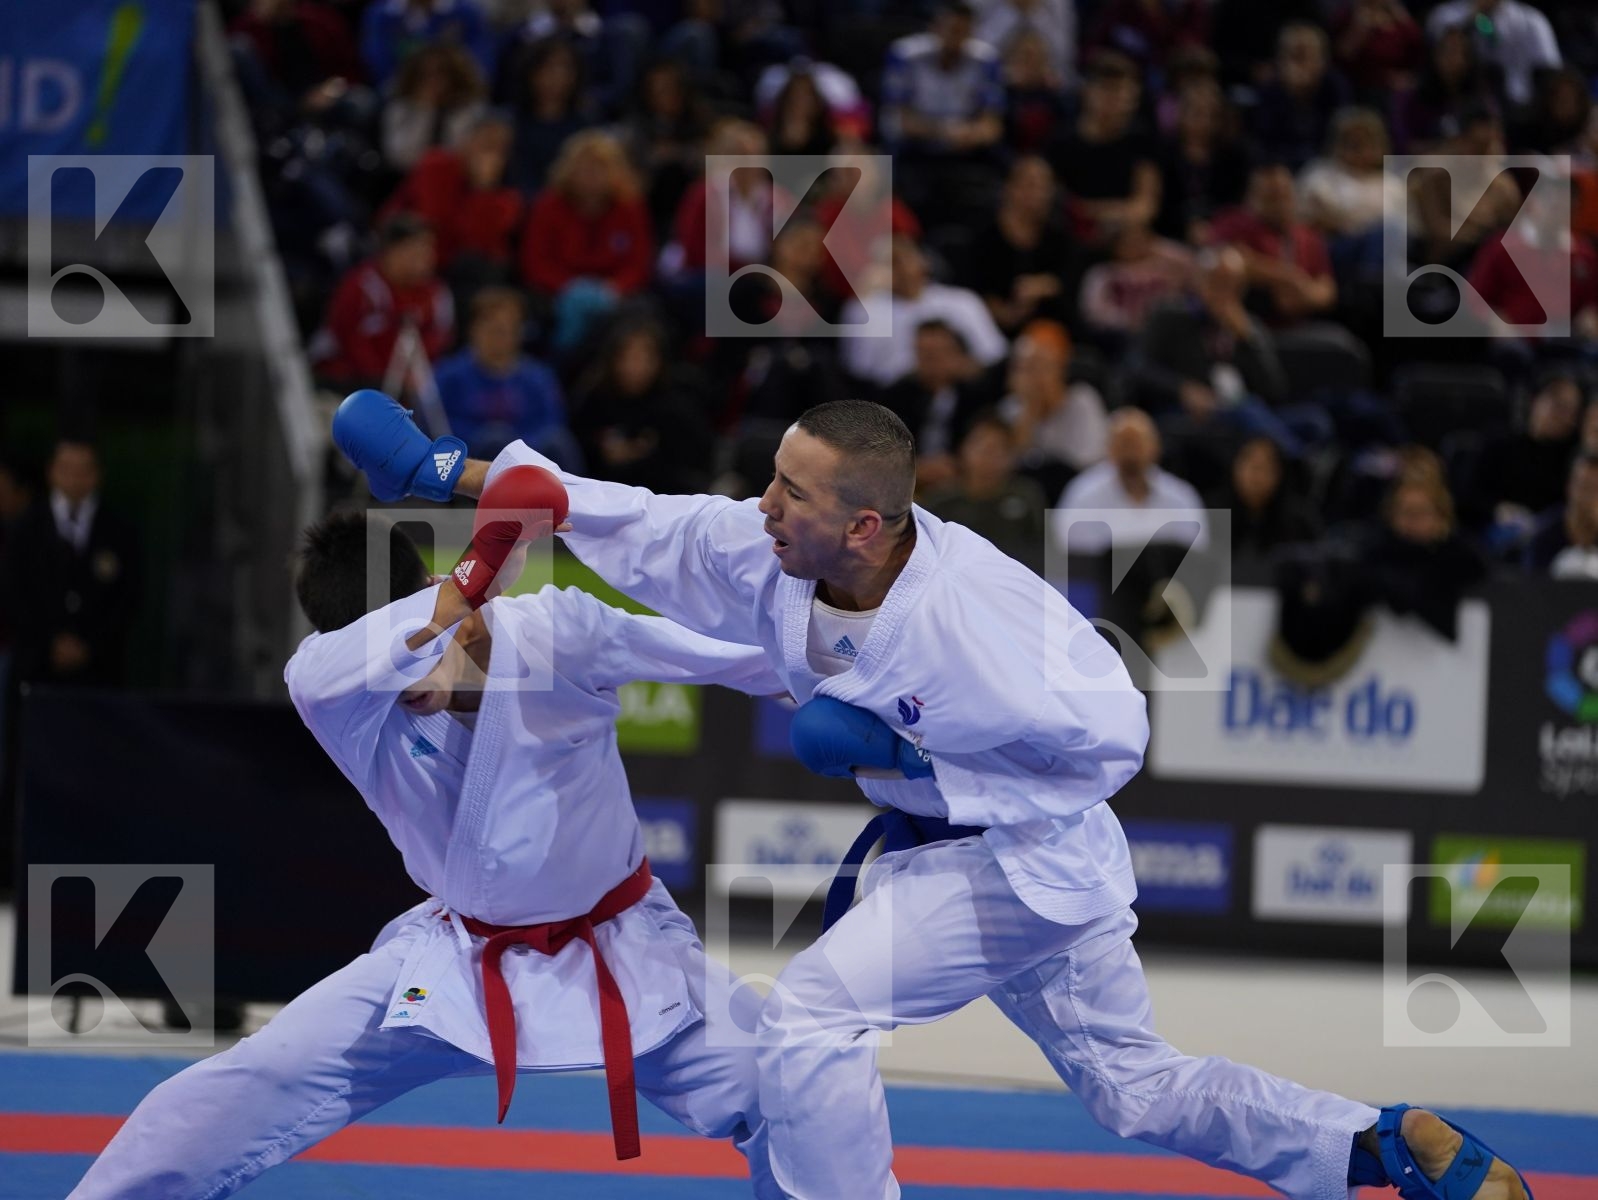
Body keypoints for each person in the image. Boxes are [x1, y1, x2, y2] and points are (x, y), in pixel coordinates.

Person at [338, 391, 1535, 1200]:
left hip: (1018, 855)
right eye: (770, 479)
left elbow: (1116, 735)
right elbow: (630, 518)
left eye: (791, 494)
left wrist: (918, 761)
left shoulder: (980, 626)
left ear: (864, 524)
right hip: (942, 851)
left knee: (810, 1018)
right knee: (1131, 1089)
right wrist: (459, 470)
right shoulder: (771, 543)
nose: (763, 504)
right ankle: (1377, 1148)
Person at [67, 459, 784, 1198]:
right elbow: (337, 667)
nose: (405, 685)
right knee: (236, 1087)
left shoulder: (559, 632)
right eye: (389, 659)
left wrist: (850, 688)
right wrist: (463, 590)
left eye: (424, 645)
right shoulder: (334, 691)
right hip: (455, 958)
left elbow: (732, 660)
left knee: (789, 1092)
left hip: (625, 948)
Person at [2, 438, 140, 690]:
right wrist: (49, 643)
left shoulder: (120, 531)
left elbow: (128, 598)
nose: (74, 479)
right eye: (66, 469)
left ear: (97, 474)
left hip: (100, 673)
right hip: (34, 670)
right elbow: (13, 593)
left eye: (83, 470)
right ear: (51, 472)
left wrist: (89, 646)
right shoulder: (25, 528)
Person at [310, 212, 455, 389]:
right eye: (416, 249)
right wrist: (387, 380)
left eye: (429, 249)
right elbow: (348, 339)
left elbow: (438, 343)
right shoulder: (360, 286)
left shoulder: (437, 294)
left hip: (401, 386)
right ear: (391, 251)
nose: (426, 257)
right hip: (345, 379)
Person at [432, 287, 575, 465]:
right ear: (473, 329)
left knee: (558, 443)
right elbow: (437, 425)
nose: (501, 337)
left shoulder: (538, 377)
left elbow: (551, 422)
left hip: (531, 458)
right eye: (494, 329)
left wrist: (519, 448)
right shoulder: (449, 375)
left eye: (509, 329)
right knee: (496, 440)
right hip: (470, 460)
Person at [922, 414, 1049, 573]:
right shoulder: (941, 501)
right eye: (983, 447)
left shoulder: (1027, 495)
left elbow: (1044, 549)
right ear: (964, 450)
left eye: (998, 449)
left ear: (1011, 456)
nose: (989, 457)